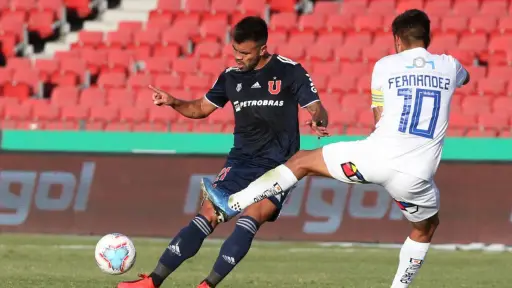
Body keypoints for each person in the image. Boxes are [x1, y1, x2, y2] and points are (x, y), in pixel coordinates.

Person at [203, 9, 470, 288]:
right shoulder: (450, 65)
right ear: (428, 37)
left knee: (301, 161)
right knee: (425, 228)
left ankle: (232, 203)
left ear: (397, 40)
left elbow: (378, 117)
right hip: (415, 175)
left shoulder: (385, 66)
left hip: (374, 158)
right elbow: (465, 78)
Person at [118, 16, 329, 288]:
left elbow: (316, 107)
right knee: (207, 213)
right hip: (240, 161)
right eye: (235, 51)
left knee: (252, 215)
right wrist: (173, 102)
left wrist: (318, 119)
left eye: (245, 53)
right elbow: (200, 109)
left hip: (279, 165)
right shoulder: (230, 77)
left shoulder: (290, 71)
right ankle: (152, 282)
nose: (238, 58)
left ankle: (207, 285)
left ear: (262, 49)